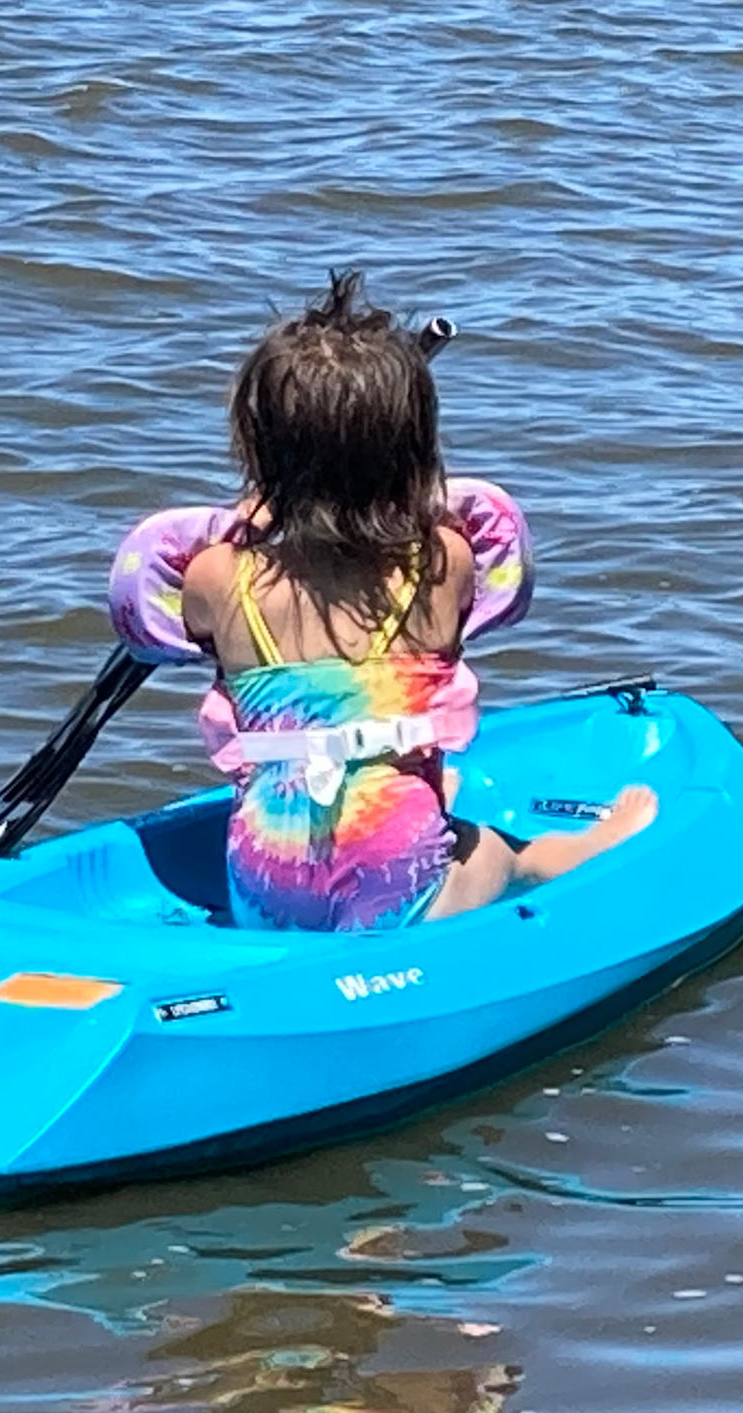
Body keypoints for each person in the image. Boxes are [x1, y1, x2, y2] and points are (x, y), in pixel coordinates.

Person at [173, 275, 654, 934]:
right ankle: (569, 852)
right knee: (493, 851)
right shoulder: (441, 565)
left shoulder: (215, 578)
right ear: (416, 454)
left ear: (255, 451)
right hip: (394, 875)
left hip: (264, 879)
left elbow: (176, 631)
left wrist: (250, 522)